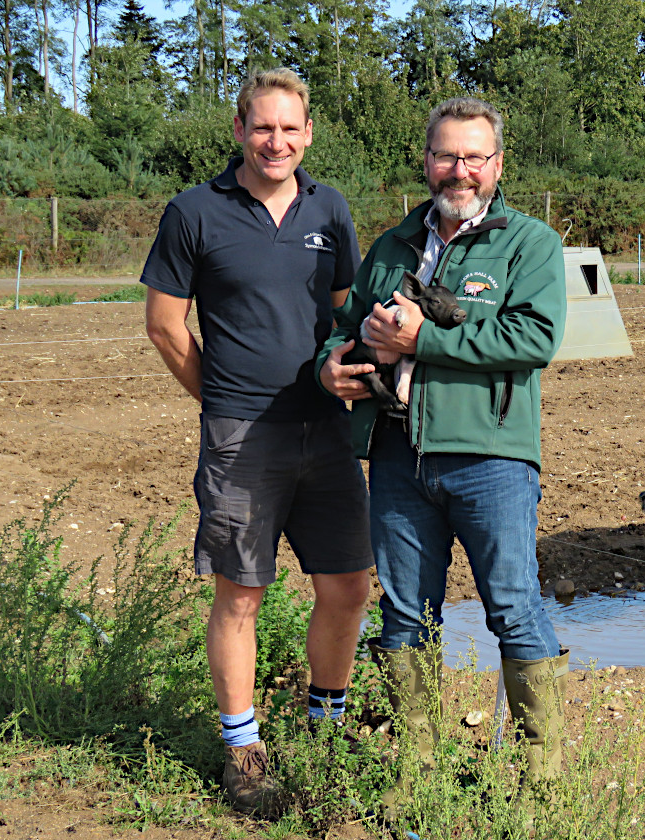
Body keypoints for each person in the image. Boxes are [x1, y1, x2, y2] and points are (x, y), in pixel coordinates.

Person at [315, 96, 568, 816]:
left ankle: (542, 780)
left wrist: (422, 340)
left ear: (498, 165)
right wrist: (330, 367)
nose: (460, 170)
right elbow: (340, 330)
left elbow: (532, 340)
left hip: (492, 459)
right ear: (427, 161)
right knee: (404, 617)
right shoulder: (392, 245)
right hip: (398, 456)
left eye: (475, 157)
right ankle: (415, 772)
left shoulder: (529, 245)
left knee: (514, 609)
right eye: (447, 156)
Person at [142, 68, 373, 818]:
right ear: (239, 129)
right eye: (262, 127)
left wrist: (342, 370)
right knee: (241, 593)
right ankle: (244, 752)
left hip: (327, 430)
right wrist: (222, 402)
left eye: (290, 129)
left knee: (347, 586)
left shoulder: (329, 208)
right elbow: (165, 326)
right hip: (243, 436)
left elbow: (344, 313)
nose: (277, 141)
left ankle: (325, 727)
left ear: (308, 134)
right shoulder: (194, 212)